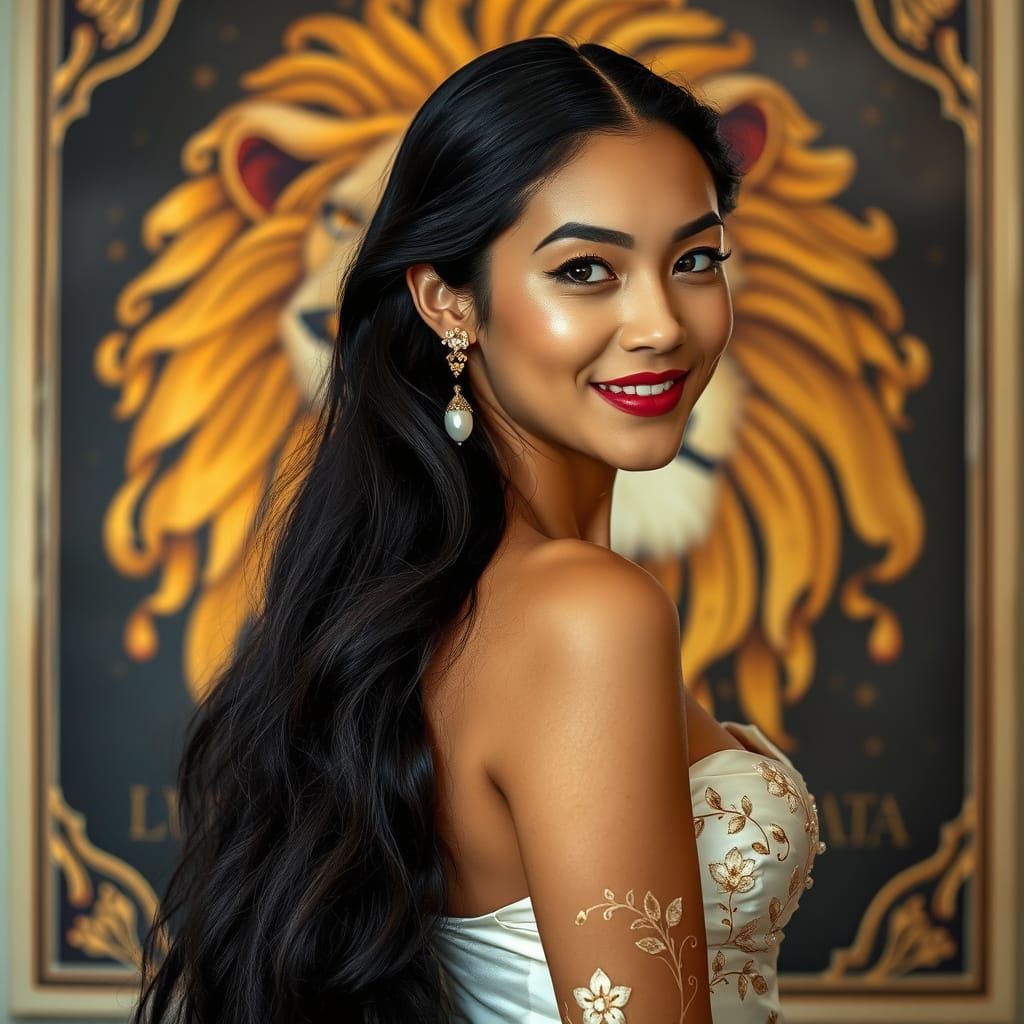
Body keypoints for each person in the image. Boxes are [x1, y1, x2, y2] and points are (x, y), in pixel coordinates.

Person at [131, 35, 823, 1024]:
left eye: (696, 258)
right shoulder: (587, 614)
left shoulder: (449, 597)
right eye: (586, 268)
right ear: (447, 299)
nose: (662, 322)